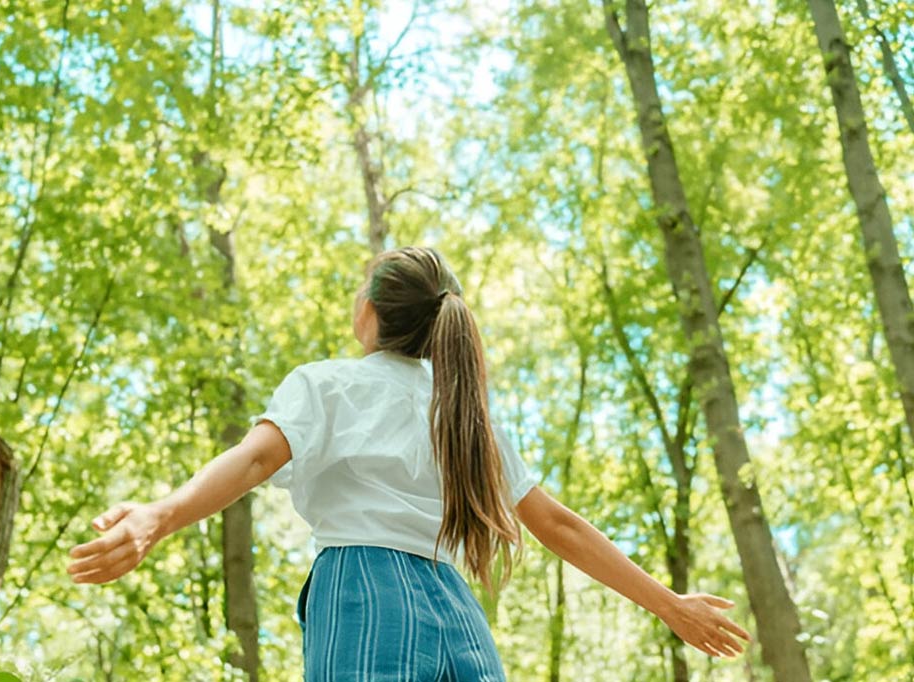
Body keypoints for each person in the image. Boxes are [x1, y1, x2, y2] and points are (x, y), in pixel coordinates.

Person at [67, 246, 750, 679]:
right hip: (455, 609)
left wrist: (158, 515)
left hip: (362, 590)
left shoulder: (330, 382)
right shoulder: (464, 414)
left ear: (369, 311)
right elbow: (559, 526)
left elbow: (250, 463)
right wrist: (668, 604)